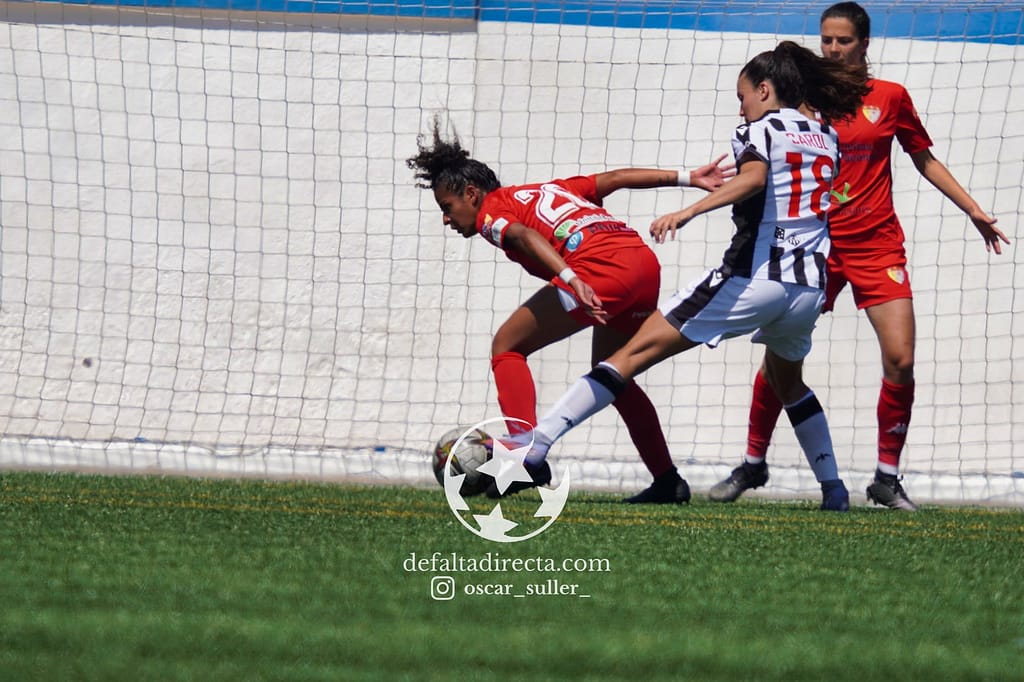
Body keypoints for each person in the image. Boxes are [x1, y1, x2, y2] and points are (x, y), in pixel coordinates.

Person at [498, 41, 870, 511]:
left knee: (626, 357)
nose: (741, 107)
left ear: (764, 89)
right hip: (808, 288)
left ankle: (534, 449)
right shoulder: (826, 135)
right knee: (789, 382)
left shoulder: (758, 129)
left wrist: (688, 211)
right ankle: (834, 489)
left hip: (754, 279)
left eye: (742, 96)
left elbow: (754, 179)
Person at [709, 1, 1010, 511]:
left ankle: (886, 478)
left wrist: (973, 209)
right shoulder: (803, 99)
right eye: (826, 40)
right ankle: (753, 461)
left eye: (843, 41)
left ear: (864, 44)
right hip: (815, 245)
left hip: (876, 243)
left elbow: (924, 159)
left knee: (901, 358)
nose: (832, 49)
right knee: (781, 359)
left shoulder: (890, 97)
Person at [406, 116, 733, 504]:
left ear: (472, 194)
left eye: (447, 207)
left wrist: (571, 277)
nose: (446, 218)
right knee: (614, 375)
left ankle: (524, 454)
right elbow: (616, 178)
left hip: (599, 271)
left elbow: (523, 235)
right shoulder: (549, 189)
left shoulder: (491, 213)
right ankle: (667, 480)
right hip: (643, 264)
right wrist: (688, 177)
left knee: (506, 346)